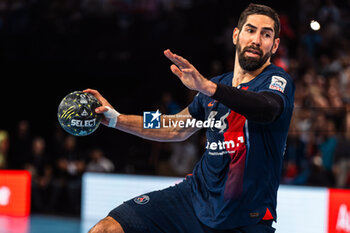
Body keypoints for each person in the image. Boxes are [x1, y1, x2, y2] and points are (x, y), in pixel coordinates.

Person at [86, 3, 295, 233]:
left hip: (245, 217)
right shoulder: (217, 85)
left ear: (274, 45)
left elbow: (267, 109)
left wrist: (208, 87)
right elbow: (174, 125)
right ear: (236, 35)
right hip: (193, 199)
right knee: (107, 229)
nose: (256, 39)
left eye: (266, 35)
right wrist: (117, 118)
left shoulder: (276, 80)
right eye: (250, 30)